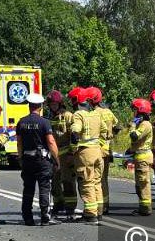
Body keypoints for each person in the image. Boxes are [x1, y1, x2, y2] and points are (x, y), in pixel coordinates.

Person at [17, 93, 61, 226]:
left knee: (28, 188)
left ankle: (27, 217)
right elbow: (51, 142)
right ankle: (45, 217)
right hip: (42, 160)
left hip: (27, 160)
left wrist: (20, 158)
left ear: (29, 106)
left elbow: (19, 143)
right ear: (40, 106)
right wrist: (57, 159)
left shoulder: (21, 122)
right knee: (44, 188)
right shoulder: (44, 122)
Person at [71, 88, 108, 224]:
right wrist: (101, 144)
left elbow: (76, 128)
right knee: (97, 182)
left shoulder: (79, 114)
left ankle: (90, 214)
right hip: (98, 152)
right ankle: (99, 212)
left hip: (85, 153)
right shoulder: (96, 114)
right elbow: (105, 131)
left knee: (86, 182)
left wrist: (74, 135)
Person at [87, 87, 121, 215]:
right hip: (107, 150)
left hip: (96, 149)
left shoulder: (93, 114)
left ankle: (97, 206)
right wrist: (110, 136)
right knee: (103, 179)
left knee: (95, 179)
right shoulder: (108, 112)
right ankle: (105, 205)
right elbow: (117, 126)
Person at [47, 90, 76, 220]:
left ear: (60, 104)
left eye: (55, 104)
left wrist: (71, 153)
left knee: (68, 182)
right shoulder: (50, 117)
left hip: (67, 155)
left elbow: (73, 135)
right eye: (51, 104)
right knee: (55, 182)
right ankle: (59, 204)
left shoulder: (68, 116)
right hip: (55, 155)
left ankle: (70, 208)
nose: (53, 106)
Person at [127, 98, 154, 216]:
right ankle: (142, 207)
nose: (133, 113)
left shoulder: (145, 124)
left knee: (143, 184)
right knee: (139, 184)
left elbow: (134, 136)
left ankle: (146, 208)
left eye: (135, 110)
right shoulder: (142, 124)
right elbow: (138, 143)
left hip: (143, 159)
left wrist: (132, 125)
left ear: (140, 111)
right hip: (140, 158)